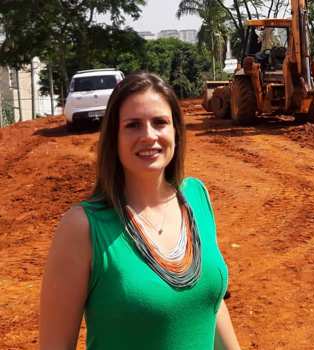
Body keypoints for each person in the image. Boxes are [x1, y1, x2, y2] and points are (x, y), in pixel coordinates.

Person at [39, 72, 241, 350]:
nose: (149, 136)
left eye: (160, 122)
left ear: (176, 132)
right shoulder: (83, 227)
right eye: (133, 125)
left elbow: (212, 305)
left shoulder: (197, 198)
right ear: (114, 138)